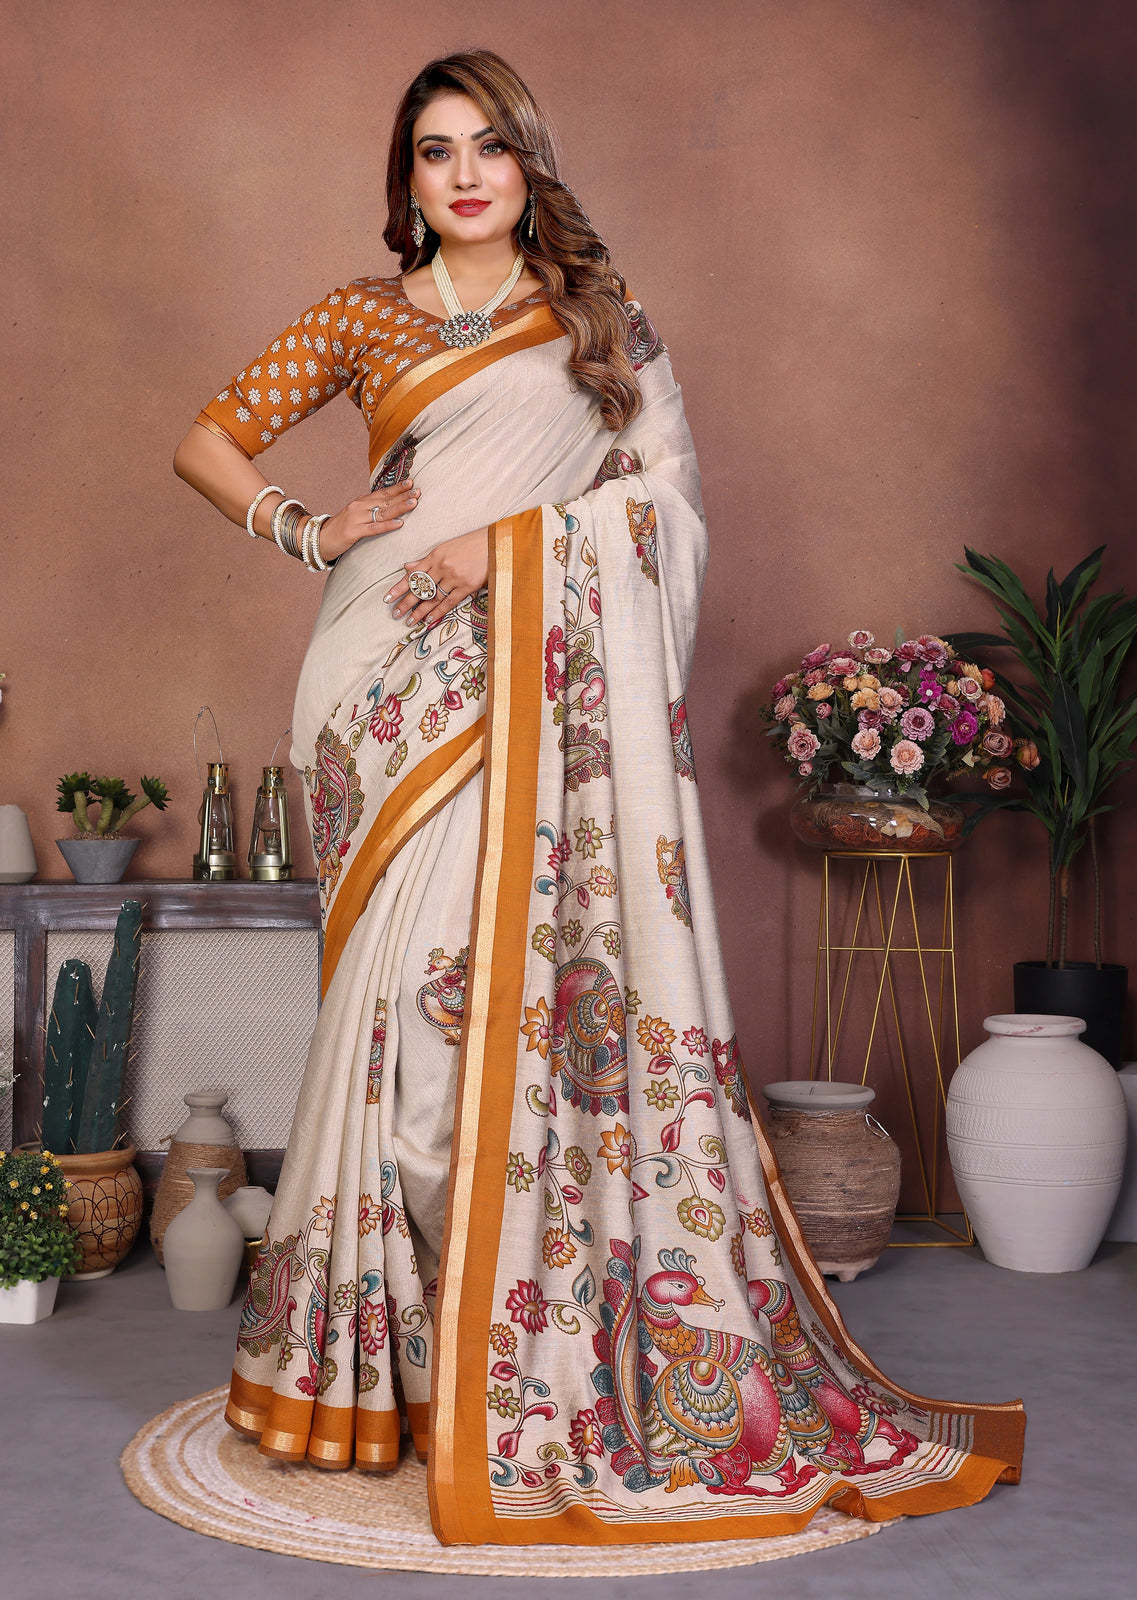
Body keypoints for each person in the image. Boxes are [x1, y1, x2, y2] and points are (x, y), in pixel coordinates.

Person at [174, 48, 1023, 1548]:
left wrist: (502, 556)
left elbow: (666, 516)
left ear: (527, 163)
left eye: (489, 146)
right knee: (393, 1025)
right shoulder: (362, 316)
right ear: (409, 180)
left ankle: (506, 1363)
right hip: (381, 691)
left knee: (468, 1031)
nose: (464, 174)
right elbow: (208, 441)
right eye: (435, 151)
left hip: (523, 681)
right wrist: (315, 530)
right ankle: (407, 1370)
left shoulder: (601, 320)